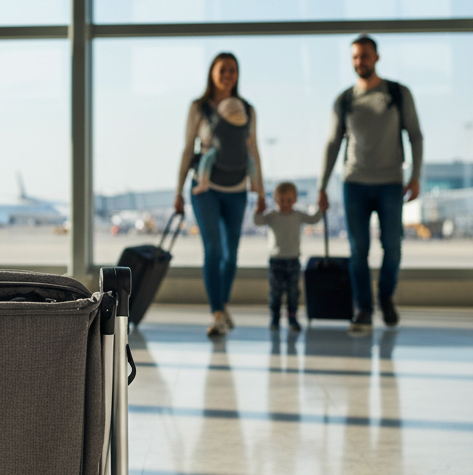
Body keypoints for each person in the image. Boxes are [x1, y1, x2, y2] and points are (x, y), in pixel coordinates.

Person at [317, 36, 422, 332]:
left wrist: (416, 177)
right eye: (354, 57)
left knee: (393, 246)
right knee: (358, 249)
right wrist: (322, 185)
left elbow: (416, 135)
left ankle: (385, 297)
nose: (359, 62)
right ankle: (363, 307)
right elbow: (332, 143)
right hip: (354, 183)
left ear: (376, 57)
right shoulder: (344, 100)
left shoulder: (398, 94)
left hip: (391, 183)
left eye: (364, 56)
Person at [175, 53, 265, 338]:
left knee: (231, 254)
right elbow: (188, 147)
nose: (228, 74)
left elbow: (253, 149)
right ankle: (216, 313)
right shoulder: (198, 108)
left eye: (233, 70)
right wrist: (177, 190)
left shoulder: (248, 109)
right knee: (213, 248)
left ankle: (223, 306)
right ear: (212, 73)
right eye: (223, 69)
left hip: (237, 188)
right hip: (204, 187)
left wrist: (259, 189)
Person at [254, 181, 321, 332]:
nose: (285, 204)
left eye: (289, 201)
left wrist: (321, 208)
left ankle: (292, 317)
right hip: (276, 261)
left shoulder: (298, 215)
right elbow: (258, 222)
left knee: (293, 292)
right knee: (275, 292)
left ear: (295, 200)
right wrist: (258, 210)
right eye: (281, 200)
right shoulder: (272, 216)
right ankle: (275, 317)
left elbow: (314, 219)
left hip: (293, 260)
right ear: (275, 200)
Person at [192, 97, 260, 195]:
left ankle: (203, 182)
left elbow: (210, 137)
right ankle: (254, 183)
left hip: (219, 154)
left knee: (206, 159)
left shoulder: (219, 123)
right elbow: (250, 141)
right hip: (240, 156)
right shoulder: (245, 123)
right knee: (251, 161)